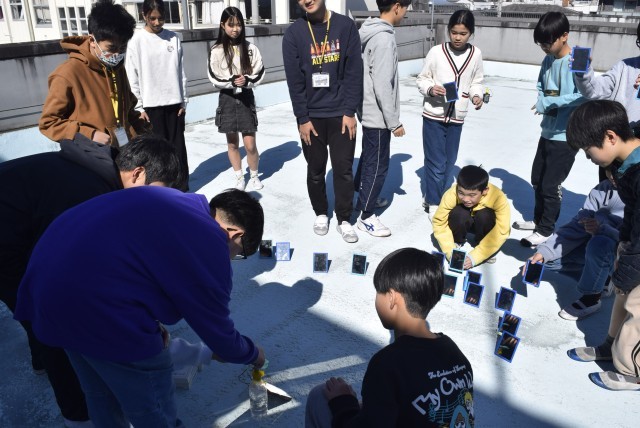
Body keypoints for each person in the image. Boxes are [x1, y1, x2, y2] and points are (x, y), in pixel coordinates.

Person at [14, 188, 267, 425]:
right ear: (235, 234)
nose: (231, 259)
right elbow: (219, 334)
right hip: (95, 309)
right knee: (154, 411)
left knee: (101, 395)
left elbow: (130, 263)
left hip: (47, 293)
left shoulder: (175, 201)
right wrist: (252, 354)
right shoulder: (211, 240)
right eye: (239, 254)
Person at [0, 134, 180, 427]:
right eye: (155, 192)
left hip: (18, 225)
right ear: (137, 173)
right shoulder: (88, 193)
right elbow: (76, 272)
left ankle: (41, 359)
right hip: (6, 245)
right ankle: (77, 415)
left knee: (41, 310)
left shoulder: (99, 168)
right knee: (52, 322)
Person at [305, 248, 474, 427]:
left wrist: (343, 403)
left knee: (320, 395)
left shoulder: (386, 364)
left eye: (378, 292)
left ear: (392, 298)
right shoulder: (455, 353)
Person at [565, 100, 640, 391]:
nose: (588, 158)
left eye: (588, 150)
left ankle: (632, 370)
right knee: (622, 296)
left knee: (637, 307)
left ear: (610, 137)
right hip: (633, 243)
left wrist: (630, 265)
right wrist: (624, 247)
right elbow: (633, 214)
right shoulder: (627, 164)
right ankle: (612, 346)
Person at [283, 0, 363, 243]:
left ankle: (344, 218)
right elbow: (295, 81)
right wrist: (302, 118)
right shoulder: (294, 33)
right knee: (316, 170)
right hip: (311, 117)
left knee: (343, 170)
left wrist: (350, 111)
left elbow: (354, 71)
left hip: (341, 114)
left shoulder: (345, 26)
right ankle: (320, 212)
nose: (306, 0)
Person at [514, 11, 585, 247]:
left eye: (548, 42)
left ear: (564, 36)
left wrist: (550, 102)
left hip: (567, 135)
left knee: (550, 185)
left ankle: (545, 230)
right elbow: (541, 85)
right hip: (548, 131)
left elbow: (585, 95)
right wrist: (542, 99)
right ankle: (538, 221)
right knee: (537, 179)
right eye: (541, 44)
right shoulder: (548, 59)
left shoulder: (579, 58)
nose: (544, 48)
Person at [39, 0, 150, 147]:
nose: (117, 54)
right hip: (92, 154)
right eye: (111, 48)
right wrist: (89, 134)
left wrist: (143, 129)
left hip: (123, 150)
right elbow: (48, 123)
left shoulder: (116, 67)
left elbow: (128, 108)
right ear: (92, 40)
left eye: (123, 48)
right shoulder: (67, 74)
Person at [526, 173, 623, 321]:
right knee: (547, 261)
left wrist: (602, 229)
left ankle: (592, 297)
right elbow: (576, 226)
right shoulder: (603, 188)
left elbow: (633, 241)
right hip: (599, 246)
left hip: (625, 256)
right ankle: (603, 279)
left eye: (618, 171)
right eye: (609, 170)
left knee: (601, 243)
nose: (611, 176)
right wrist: (544, 252)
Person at [416, 9, 484, 219]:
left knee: (449, 161)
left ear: (471, 33)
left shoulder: (476, 54)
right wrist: (430, 89)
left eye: (463, 33)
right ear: (448, 31)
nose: (457, 37)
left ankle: (436, 195)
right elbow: (422, 78)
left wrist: (476, 95)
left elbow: (476, 81)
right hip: (434, 115)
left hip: (457, 117)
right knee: (435, 162)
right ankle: (434, 203)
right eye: (454, 32)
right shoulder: (436, 52)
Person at [353, 0, 410, 237]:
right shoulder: (384, 39)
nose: (406, 13)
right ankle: (366, 216)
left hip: (367, 109)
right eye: (406, 8)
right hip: (378, 115)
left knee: (369, 158)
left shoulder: (368, 31)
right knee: (378, 166)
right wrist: (394, 122)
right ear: (397, 6)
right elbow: (383, 84)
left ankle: (365, 197)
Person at [126, 0, 190, 191]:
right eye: (152, 18)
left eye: (160, 18)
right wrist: (138, 107)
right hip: (150, 107)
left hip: (174, 104)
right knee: (156, 153)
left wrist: (184, 101)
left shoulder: (173, 38)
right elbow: (131, 76)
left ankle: (181, 188)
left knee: (178, 149)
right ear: (144, 15)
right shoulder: (136, 40)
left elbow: (181, 72)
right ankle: (160, 191)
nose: (156, 22)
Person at [572, 21, 640, 182]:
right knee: (607, 193)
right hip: (613, 147)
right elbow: (594, 90)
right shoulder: (625, 67)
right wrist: (583, 73)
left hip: (635, 155)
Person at [208, 6, 265, 191]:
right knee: (232, 143)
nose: (235, 29)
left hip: (246, 98)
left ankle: (254, 175)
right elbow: (213, 76)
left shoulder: (251, 48)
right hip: (227, 98)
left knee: (250, 144)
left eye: (239, 24)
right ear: (222, 25)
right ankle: (239, 177)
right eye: (231, 25)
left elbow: (260, 72)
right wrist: (231, 81)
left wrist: (247, 80)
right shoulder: (216, 50)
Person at [432, 165, 511, 269]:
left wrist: (477, 256)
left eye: (472, 195)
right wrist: (450, 251)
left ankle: (483, 242)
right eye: (461, 193)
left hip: (482, 222)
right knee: (459, 213)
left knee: (485, 215)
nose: (466, 199)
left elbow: (502, 230)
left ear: (485, 191)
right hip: (463, 220)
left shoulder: (498, 197)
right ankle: (456, 240)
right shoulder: (451, 194)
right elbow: (439, 222)